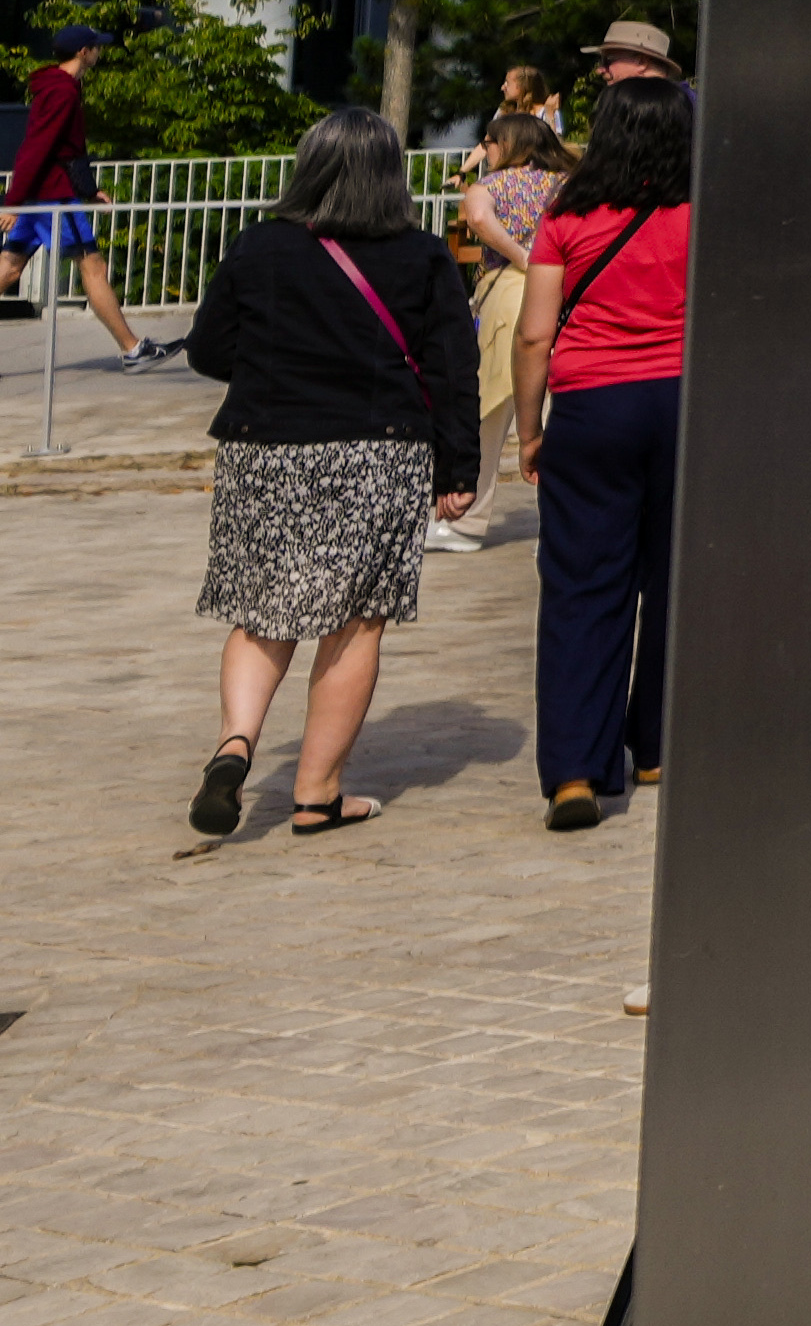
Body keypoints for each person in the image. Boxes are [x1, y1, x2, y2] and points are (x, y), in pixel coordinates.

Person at [179, 105, 479, 845]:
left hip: (267, 445)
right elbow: (451, 367)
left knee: (262, 610)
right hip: (378, 452)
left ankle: (235, 745)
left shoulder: (260, 247)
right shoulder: (420, 256)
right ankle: (316, 795)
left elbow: (207, 348)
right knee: (355, 619)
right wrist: (459, 464)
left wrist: (274, 365)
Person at [524, 72, 695, 832]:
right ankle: (656, 743)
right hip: (686, 403)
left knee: (582, 585)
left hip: (592, 407)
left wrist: (531, 427)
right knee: (675, 576)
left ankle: (574, 770)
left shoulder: (566, 212)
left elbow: (535, 331)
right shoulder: (704, 211)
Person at [0, 21, 162, 378]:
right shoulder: (63, 92)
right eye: (96, 47)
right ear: (83, 53)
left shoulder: (59, 87)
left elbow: (64, 149)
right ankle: (133, 349)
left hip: (43, 195)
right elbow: (37, 149)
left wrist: (86, 188)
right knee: (93, 268)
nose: (100, 52)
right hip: (53, 198)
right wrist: (13, 202)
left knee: (5, 270)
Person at [450, 110, 566, 500]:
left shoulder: (491, 184)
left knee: (491, 405)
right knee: (554, 406)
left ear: (508, 143)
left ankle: (470, 510)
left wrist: (521, 255)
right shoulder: (565, 184)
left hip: (507, 289)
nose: (485, 150)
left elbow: (479, 219)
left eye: (489, 142)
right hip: (561, 294)